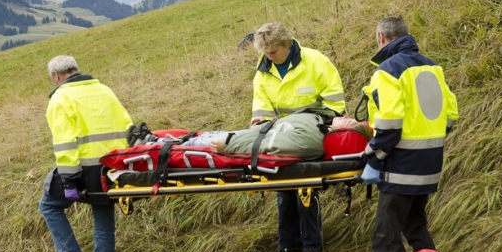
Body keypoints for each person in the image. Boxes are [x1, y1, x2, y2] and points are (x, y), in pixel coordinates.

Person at [360, 16, 459, 252]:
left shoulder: (387, 70)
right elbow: (450, 115)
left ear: (381, 37)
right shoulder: (432, 66)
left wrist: (373, 156)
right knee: (415, 225)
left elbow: (390, 123)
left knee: (386, 235)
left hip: (400, 165)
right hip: (430, 162)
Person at [250, 22, 346, 252]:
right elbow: (261, 110)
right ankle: (286, 246)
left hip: (311, 133)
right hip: (280, 137)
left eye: (274, 52)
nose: (270, 57)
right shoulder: (263, 72)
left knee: (305, 189)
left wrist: (314, 123)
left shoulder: (315, 61)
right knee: (283, 191)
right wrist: (261, 125)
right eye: (266, 53)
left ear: (288, 44)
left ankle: (312, 248)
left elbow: (335, 104)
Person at [39, 55, 133, 252]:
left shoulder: (60, 97)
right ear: (76, 70)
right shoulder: (104, 90)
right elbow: (127, 127)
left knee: (49, 205)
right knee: (104, 227)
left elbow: (65, 142)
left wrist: (70, 180)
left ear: (56, 76)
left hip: (82, 172)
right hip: (112, 169)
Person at [134, 113, 369, 159]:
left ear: (343, 131)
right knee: (208, 135)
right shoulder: (321, 119)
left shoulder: (312, 142)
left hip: (251, 140)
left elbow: (268, 145)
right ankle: (159, 138)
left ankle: (153, 145)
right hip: (258, 130)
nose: (347, 116)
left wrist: (230, 145)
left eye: (350, 122)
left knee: (206, 142)